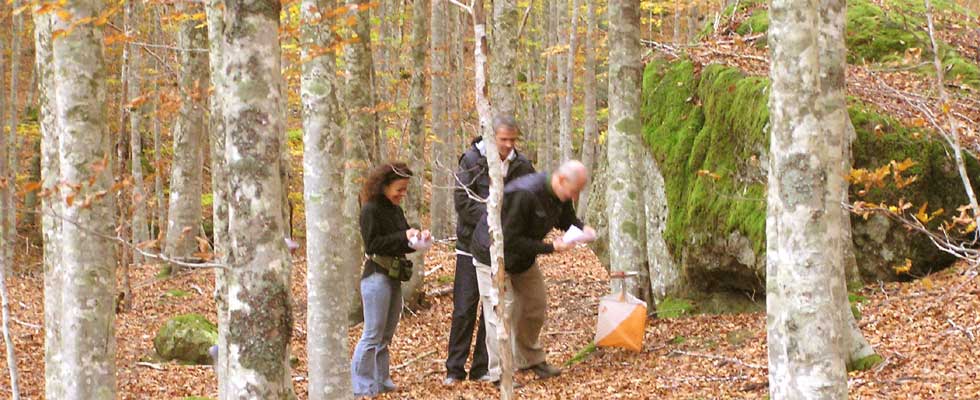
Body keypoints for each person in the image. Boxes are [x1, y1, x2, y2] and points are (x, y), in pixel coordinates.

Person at [470, 160, 596, 383]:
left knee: (535, 304)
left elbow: (566, 220)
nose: (575, 197)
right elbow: (508, 240)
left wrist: (582, 229)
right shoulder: (525, 194)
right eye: (574, 191)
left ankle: (530, 359)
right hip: (493, 255)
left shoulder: (561, 195)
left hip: (522, 259)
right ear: (562, 180)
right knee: (501, 311)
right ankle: (500, 373)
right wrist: (550, 248)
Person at [445, 114, 535, 385]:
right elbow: (462, 199)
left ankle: (484, 368)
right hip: (470, 245)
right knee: (464, 307)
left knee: (494, 308)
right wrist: (492, 220)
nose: (508, 145)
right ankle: (455, 369)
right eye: (502, 139)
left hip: (501, 249)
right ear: (491, 137)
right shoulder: (473, 160)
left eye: (512, 139)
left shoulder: (521, 165)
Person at [351, 162, 430, 397]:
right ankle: (362, 385)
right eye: (399, 189)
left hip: (394, 276)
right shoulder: (370, 209)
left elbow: (403, 239)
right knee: (372, 334)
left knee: (386, 334)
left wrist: (418, 237)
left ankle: (381, 379)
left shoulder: (395, 209)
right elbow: (373, 244)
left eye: (405, 189)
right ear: (385, 185)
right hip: (376, 276)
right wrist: (403, 235)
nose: (402, 194)